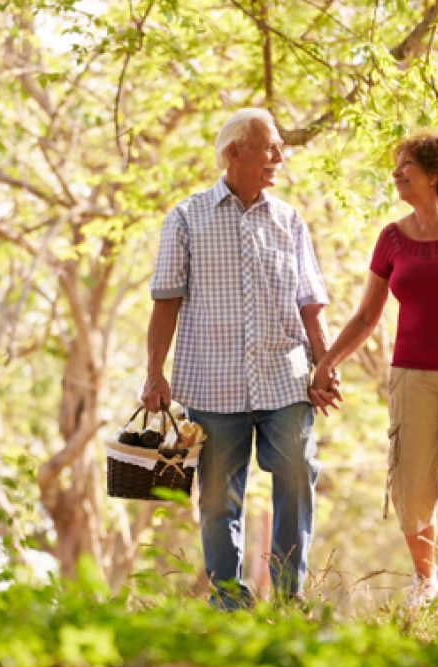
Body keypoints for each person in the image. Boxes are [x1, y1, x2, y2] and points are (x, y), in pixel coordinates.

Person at [311, 133, 438, 629]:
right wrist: (327, 362)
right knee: (409, 486)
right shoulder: (392, 237)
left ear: (434, 172)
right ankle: (427, 580)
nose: (396, 173)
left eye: (405, 165)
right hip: (412, 377)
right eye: (395, 166)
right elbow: (366, 315)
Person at [142, 108, 338, 611]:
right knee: (216, 501)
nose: (279, 157)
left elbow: (309, 303)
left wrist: (324, 362)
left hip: (284, 377)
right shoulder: (186, 218)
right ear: (236, 153)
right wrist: (153, 373)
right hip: (212, 382)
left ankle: (290, 596)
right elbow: (166, 300)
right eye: (269, 147)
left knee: (298, 469)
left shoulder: (289, 219)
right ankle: (229, 600)